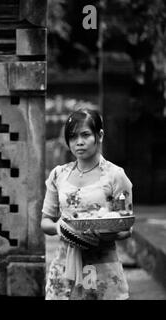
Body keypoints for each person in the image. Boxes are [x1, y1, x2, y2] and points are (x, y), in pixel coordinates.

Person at [41, 108, 133, 300]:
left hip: (102, 269)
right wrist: (60, 228)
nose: (79, 142)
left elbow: (125, 226)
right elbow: (46, 222)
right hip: (64, 268)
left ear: (99, 135)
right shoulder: (59, 175)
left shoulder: (114, 176)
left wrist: (103, 233)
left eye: (85, 135)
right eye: (73, 137)